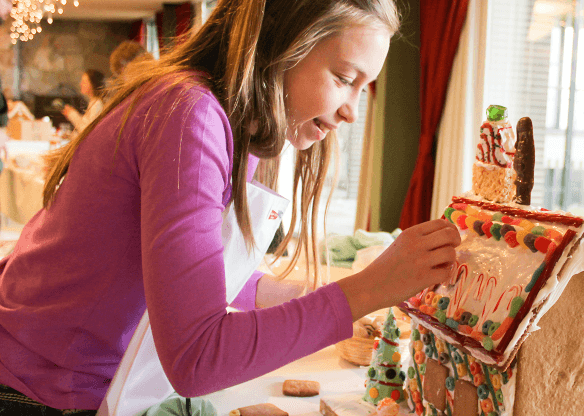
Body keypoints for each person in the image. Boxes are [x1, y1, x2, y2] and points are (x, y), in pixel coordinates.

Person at [0, 0, 461, 414]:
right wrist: (369, 288)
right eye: (343, 79)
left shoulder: (235, 126)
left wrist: (292, 294)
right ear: (281, 44)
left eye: (364, 87)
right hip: (34, 390)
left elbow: (192, 269)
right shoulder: (189, 115)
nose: (351, 112)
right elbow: (196, 359)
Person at [61, 69, 106, 134]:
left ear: (93, 84)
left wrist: (72, 114)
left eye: (84, 82)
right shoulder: (93, 102)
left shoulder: (97, 104)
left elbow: (89, 131)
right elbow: (85, 125)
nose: (80, 84)